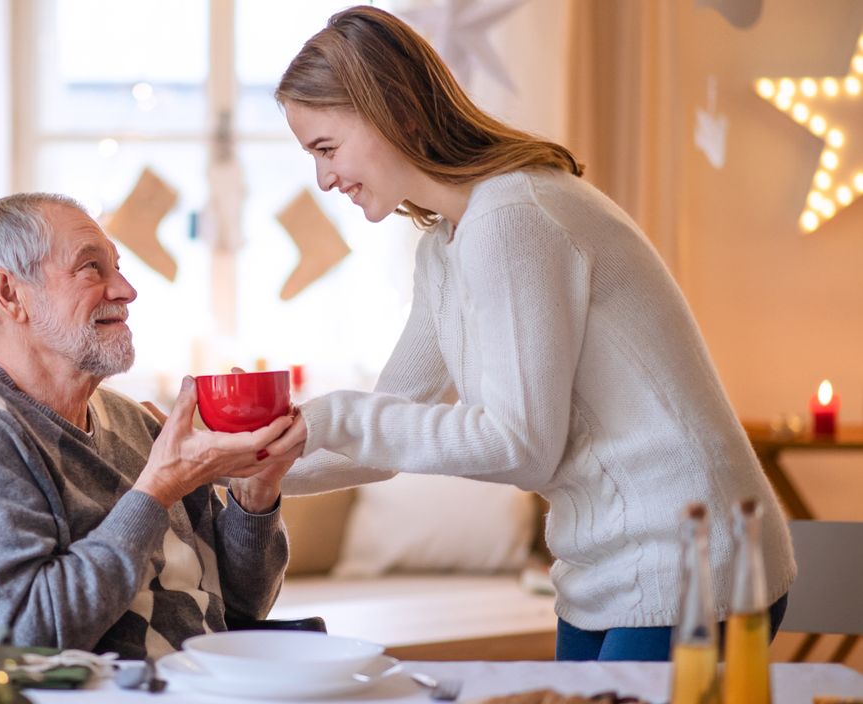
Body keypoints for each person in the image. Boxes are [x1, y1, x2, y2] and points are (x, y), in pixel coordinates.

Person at [267, 6, 795, 661]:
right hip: (601, 568)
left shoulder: (513, 216)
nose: (323, 178)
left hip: (692, 558)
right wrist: (241, 470)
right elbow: (382, 436)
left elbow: (520, 445)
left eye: (326, 148)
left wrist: (334, 415)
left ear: (394, 111)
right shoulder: (445, 246)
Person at [0, 192, 301, 660]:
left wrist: (256, 492)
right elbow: (21, 639)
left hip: (209, 685)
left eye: (119, 268)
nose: (127, 290)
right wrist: (157, 490)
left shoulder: (131, 421)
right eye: (92, 268)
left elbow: (242, 606)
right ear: (10, 294)